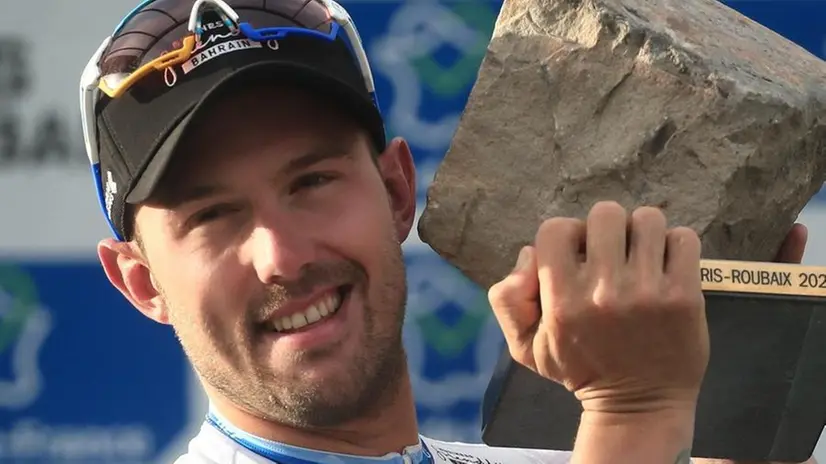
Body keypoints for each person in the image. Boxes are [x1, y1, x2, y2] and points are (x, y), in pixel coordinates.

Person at [77, 0, 818, 462]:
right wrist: (638, 410)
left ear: (399, 192)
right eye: (213, 217)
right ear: (141, 283)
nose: (283, 255)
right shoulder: (617, 427)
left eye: (312, 182)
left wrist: (727, 407)